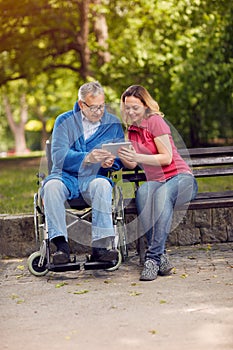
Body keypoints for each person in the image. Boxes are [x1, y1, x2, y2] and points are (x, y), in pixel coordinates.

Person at [118, 85, 198, 281]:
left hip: (181, 178)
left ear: (146, 106)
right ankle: (161, 255)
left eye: (135, 107)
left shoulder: (155, 121)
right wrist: (119, 154)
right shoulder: (131, 131)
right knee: (143, 193)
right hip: (157, 181)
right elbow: (132, 163)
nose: (130, 111)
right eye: (127, 107)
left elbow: (167, 158)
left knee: (161, 196)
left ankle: (151, 259)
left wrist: (137, 155)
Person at [41, 81, 125, 265]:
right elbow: (59, 155)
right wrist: (87, 158)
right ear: (81, 104)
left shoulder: (112, 124)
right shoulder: (64, 121)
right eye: (94, 107)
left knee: (103, 185)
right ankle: (61, 247)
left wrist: (111, 162)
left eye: (102, 106)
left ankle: (100, 248)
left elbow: (119, 155)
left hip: (94, 178)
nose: (99, 111)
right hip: (65, 176)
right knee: (51, 187)